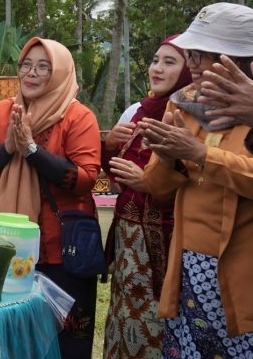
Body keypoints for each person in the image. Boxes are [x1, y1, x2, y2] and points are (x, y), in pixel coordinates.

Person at [0, 37, 101, 358]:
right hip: (8, 249)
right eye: (26, 64)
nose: (32, 73)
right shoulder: (2, 113)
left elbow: (84, 180)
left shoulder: (77, 117)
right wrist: (10, 148)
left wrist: (32, 151)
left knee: (67, 341)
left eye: (43, 66)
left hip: (63, 253)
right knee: (10, 338)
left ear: (60, 73)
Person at [139, 2, 253, 358]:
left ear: (242, 60)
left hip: (240, 274)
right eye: (192, 53)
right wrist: (171, 154)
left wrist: (201, 154)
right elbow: (157, 187)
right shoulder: (184, 106)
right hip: (190, 270)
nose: (194, 64)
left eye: (205, 54)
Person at [101, 36, 192, 359]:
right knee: (124, 314)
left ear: (187, 71)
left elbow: (196, 178)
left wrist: (149, 182)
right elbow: (114, 173)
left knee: (156, 320)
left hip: (165, 239)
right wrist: (110, 145)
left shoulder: (191, 115)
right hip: (128, 235)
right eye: (156, 60)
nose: (157, 68)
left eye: (170, 62)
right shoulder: (138, 110)